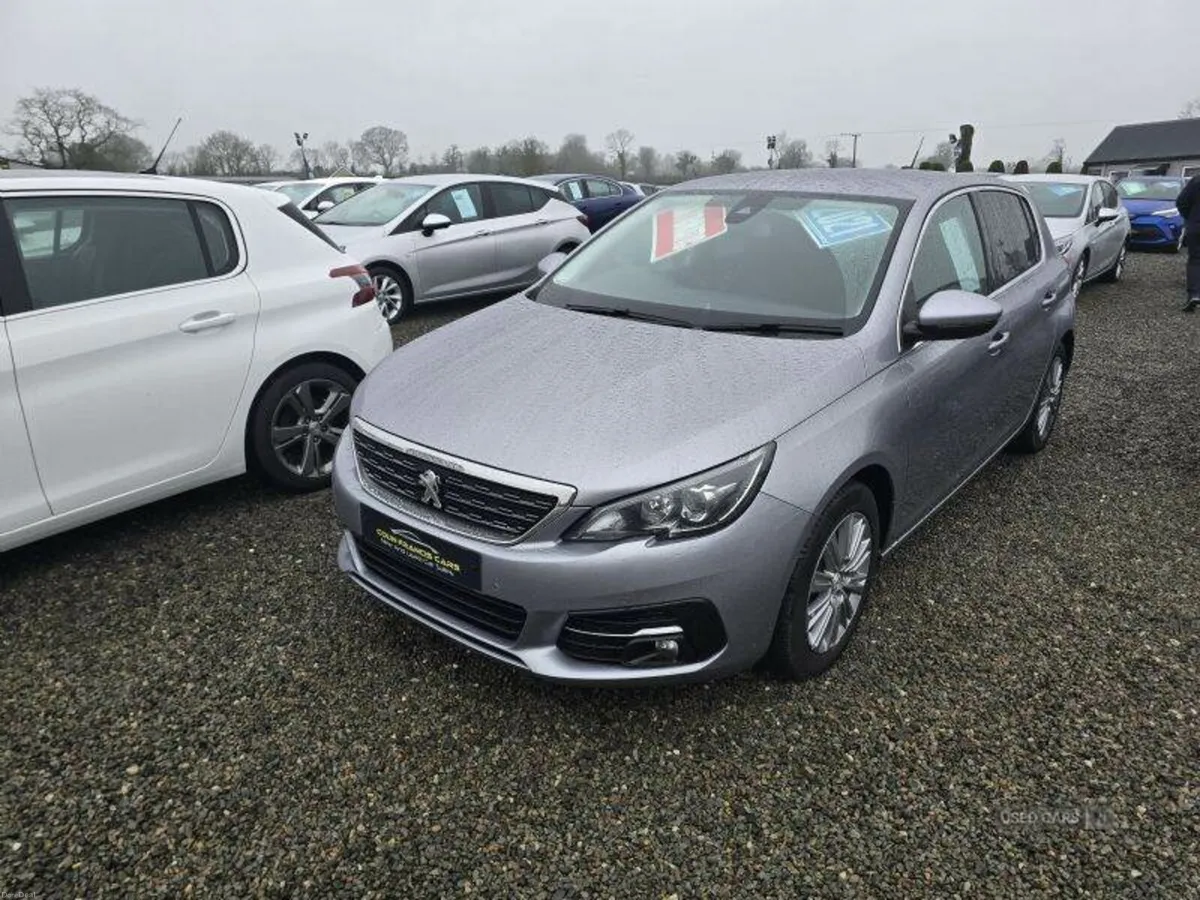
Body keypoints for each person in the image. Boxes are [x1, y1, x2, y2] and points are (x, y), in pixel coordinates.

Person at [1176, 172, 1200, 312]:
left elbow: (1181, 202)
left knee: (1196, 260)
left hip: (1197, 227)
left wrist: (1190, 218)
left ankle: (1194, 294)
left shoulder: (1196, 180)